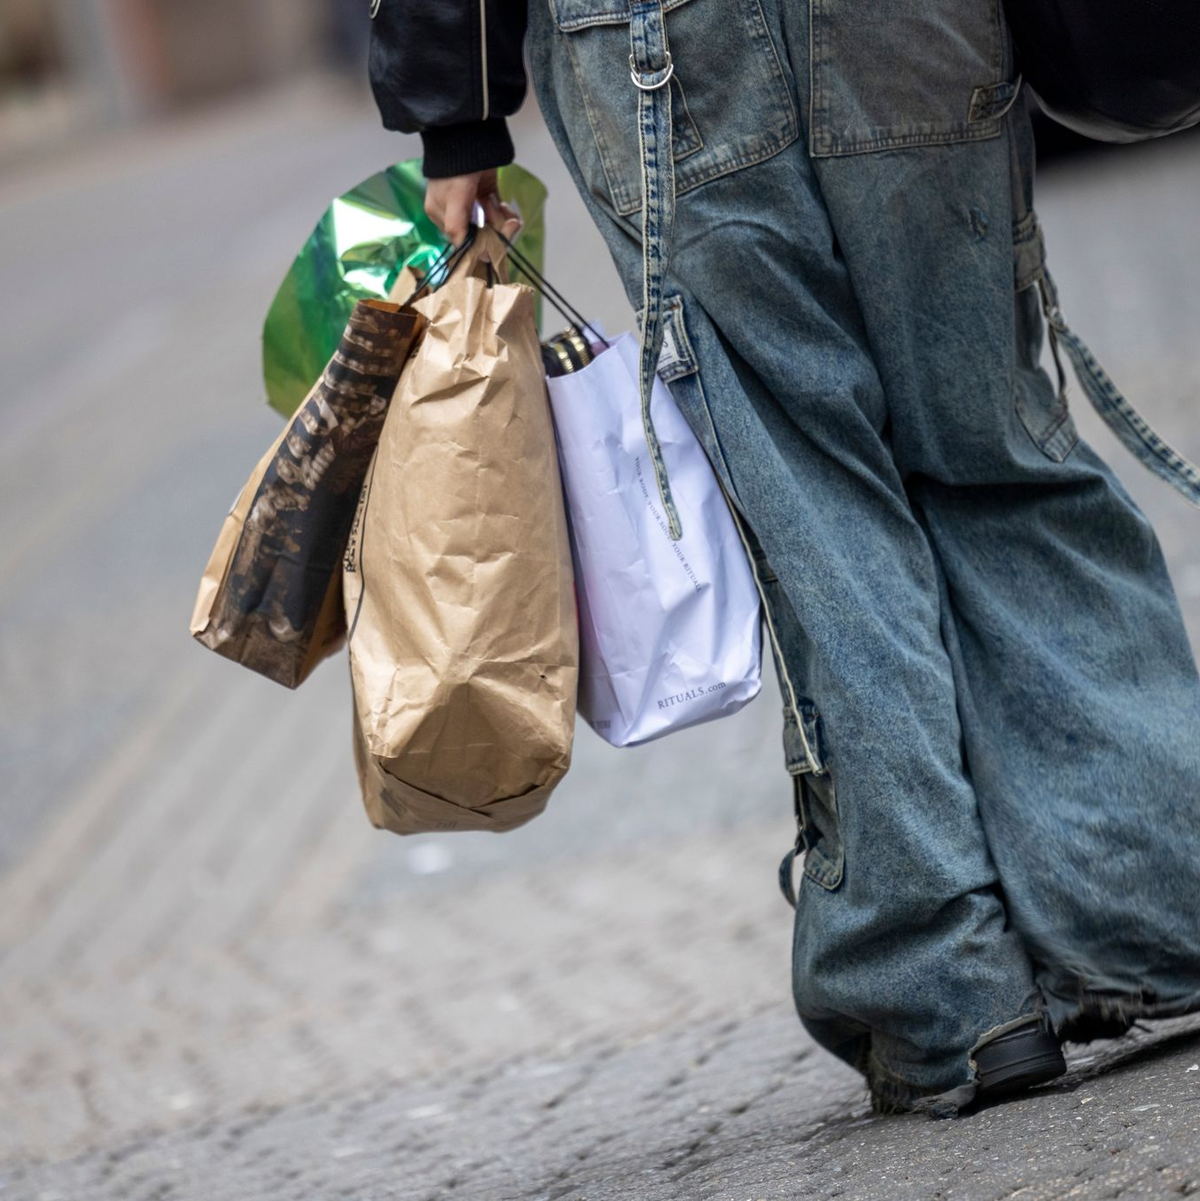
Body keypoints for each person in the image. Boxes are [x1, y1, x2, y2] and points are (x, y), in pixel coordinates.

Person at [367, 0, 1200, 1114]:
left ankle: (944, 983)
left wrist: (455, 116)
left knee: (814, 498)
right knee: (995, 446)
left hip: (662, 43)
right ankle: (1152, 896)